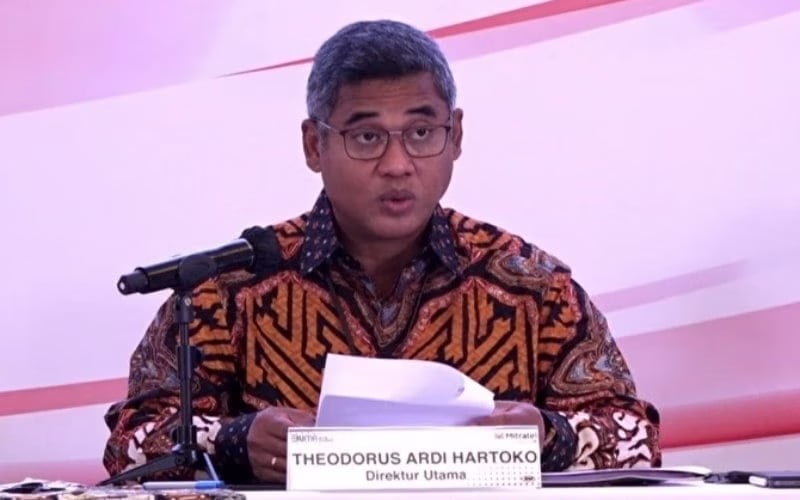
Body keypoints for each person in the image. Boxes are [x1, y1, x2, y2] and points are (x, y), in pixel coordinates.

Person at [103, 20, 660, 484]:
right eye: (367, 137)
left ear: (455, 135)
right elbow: (130, 445)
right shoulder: (228, 290)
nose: (398, 165)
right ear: (314, 145)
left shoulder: (530, 287)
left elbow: (636, 440)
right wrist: (233, 441)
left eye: (421, 133)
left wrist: (549, 437)